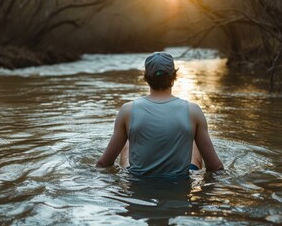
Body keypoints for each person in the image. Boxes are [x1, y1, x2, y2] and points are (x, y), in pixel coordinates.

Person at [96, 52, 224, 177]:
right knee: (194, 140)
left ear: (146, 78)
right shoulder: (193, 111)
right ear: (174, 77)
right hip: (178, 185)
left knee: (127, 142)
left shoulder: (128, 110)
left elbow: (104, 164)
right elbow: (215, 167)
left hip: (138, 184)